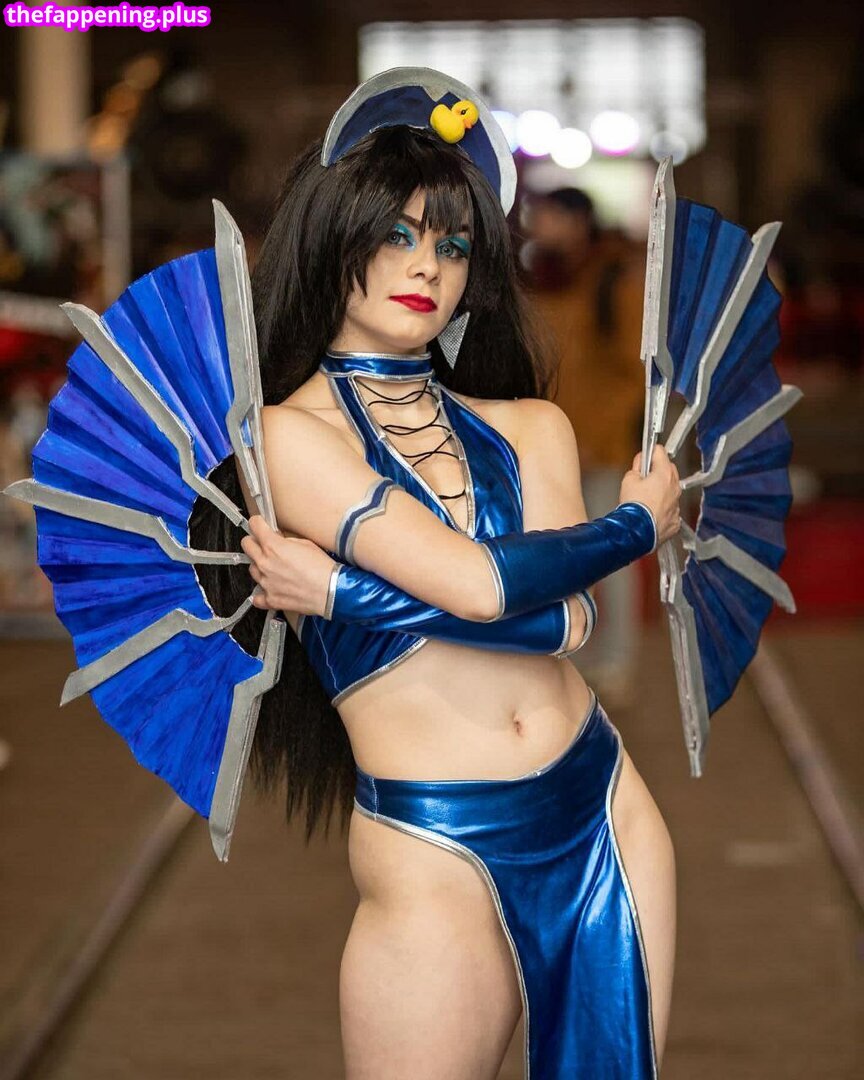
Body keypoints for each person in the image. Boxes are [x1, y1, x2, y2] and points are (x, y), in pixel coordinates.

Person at [192, 69, 681, 1079]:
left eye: (453, 245)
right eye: (396, 234)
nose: (427, 265)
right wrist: (634, 525)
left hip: (602, 806)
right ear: (332, 243)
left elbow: (568, 626)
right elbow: (486, 588)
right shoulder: (284, 437)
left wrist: (340, 592)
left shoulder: (530, 424)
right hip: (433, 839)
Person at [524, 188, 648, 708]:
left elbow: (635, 372)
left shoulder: (614, 279)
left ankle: (616, 661)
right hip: (549, 446)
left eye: (550, 216)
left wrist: (598, 438)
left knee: (611, 556)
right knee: (560, 553)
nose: (539, 225)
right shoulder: (536, 278)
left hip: (599, 448)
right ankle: (573, 656)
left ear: (578, 221)